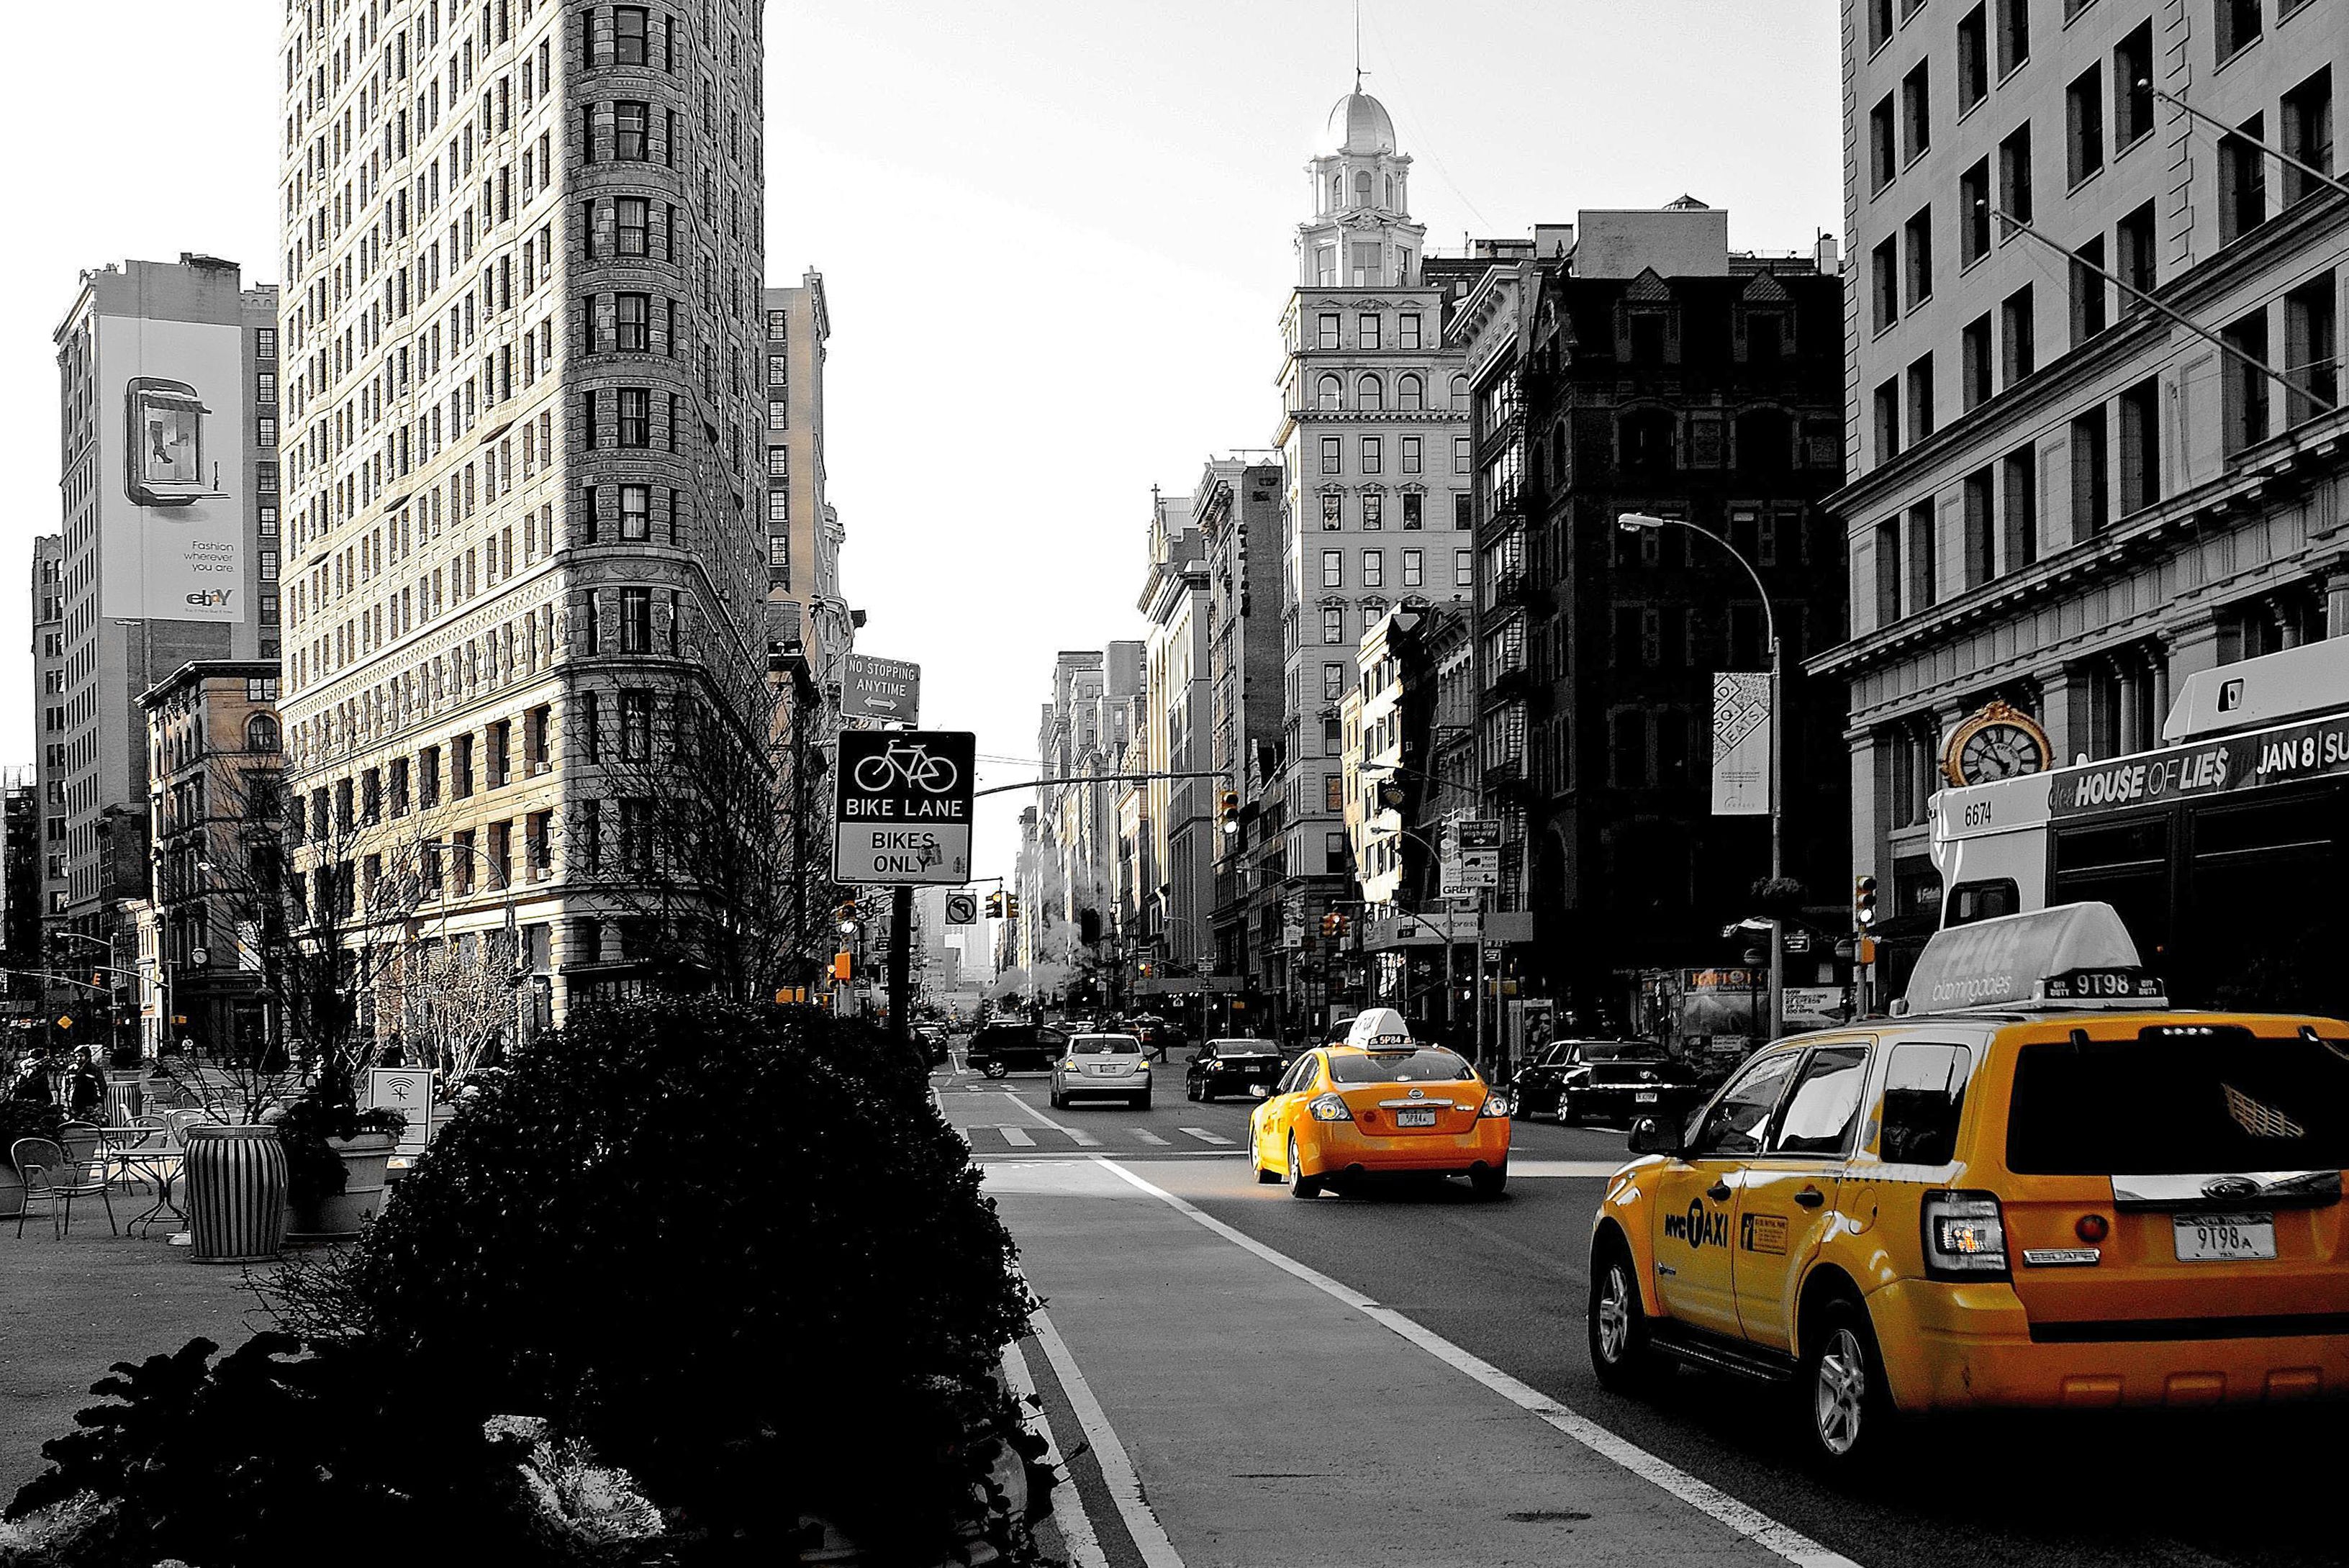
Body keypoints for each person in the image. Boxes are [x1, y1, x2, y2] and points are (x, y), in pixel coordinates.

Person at [63, 1048, 104, 1120]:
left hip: (90, 1099)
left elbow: (102, 1085)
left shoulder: (95, 1069)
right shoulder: (71, 1068)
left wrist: (100, 1101)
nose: (78, 1058)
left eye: (81, 1056)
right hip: (74, 1101)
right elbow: (65, 1085)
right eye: (76, 1056)